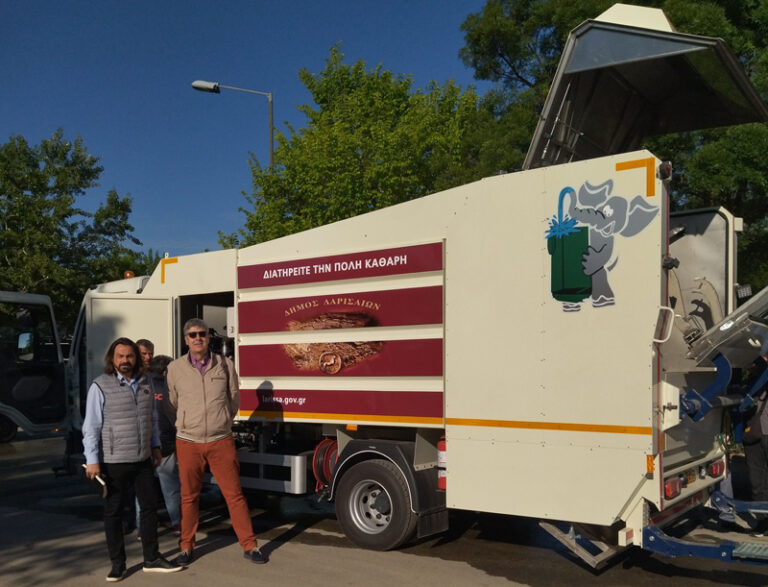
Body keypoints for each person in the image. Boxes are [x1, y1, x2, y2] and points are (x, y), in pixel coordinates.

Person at [167, 318, 267, 565]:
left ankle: (250, 545)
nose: (197, 338)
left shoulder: (224, 364)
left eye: (201, 333)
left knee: (234, 495)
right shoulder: (175, 369)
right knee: (189, 497)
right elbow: (172, 403)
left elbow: (233, 399)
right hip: (188, 441)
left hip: (220, 440)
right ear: (186, 339)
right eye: (192, 335)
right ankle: (186, 547)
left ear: (208, 337)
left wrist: (221, 422)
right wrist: (188, 422)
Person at [82, 337, 183, 581]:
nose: (125, 360)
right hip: (114, 460)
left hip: (143, 459)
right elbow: (91, 426)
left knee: (149, 508)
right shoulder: (100, 386)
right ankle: (118, 564)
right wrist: (92, 459)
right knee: (114, 512)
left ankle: (152, 558)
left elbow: (152, 419)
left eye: (129, 356)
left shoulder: (146, 382)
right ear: (112, 359)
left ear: (136, 358)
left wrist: (155, 446)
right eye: (120, 356)